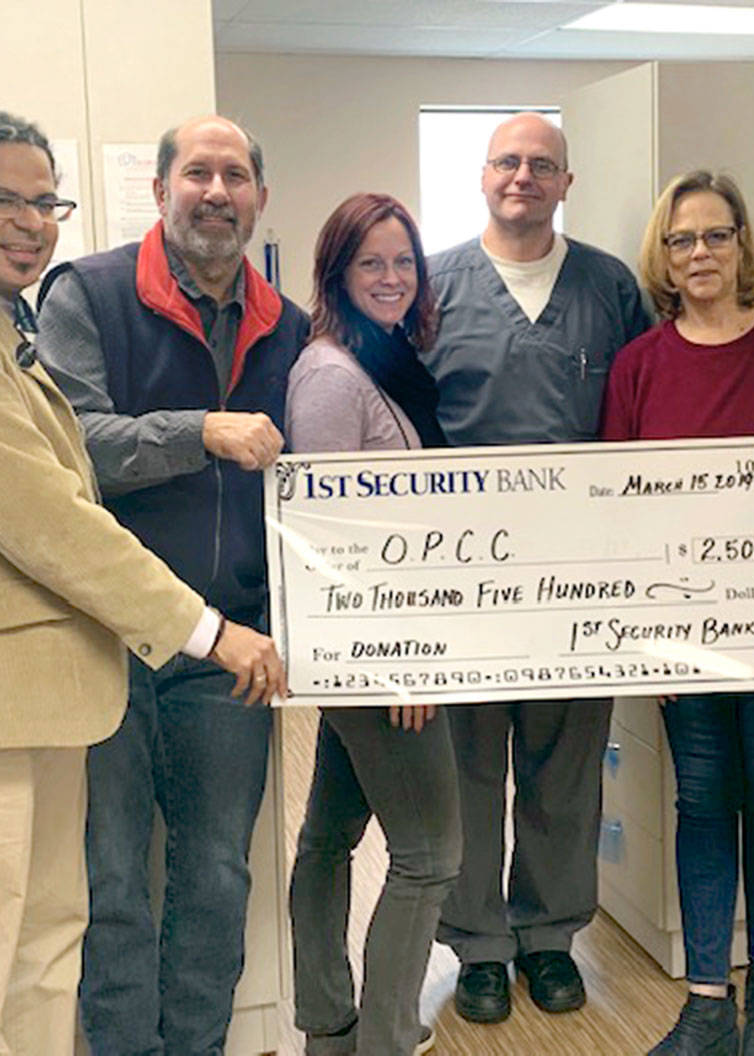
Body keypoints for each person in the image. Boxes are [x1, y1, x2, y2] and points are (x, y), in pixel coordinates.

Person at [0, 109, 282, 1055]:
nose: (31, 222)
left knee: (44, 951)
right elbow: (52, 520)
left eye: (45, 201)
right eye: (1, 198)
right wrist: (208, 630)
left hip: (39, 700)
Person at [35, 115, 308, 1054]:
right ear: (160, 192)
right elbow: (65, 447)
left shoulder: (291, 327)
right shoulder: (88, 294)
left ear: (260, 198)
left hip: (227, 652)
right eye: (199, 172)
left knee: (218, 876)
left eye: (237, 174)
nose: (218, 191)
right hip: (103, 641)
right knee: (111, 881)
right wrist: (199, 429)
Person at [602, 171, 754, 1056]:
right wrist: (641, 644)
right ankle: (707, 998)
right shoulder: (641, 365)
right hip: (681, 633)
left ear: (743, 241)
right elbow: (616, 510)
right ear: (663, 256)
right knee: (703, 799)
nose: (699, 253)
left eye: (715, 235)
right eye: (681, 239)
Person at [422, 111, 651, 1024]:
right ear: (482, 176)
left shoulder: (608, 286)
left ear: (566, 183)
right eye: (508, 162)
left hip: (578, 581)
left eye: (542, 165)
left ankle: (550, 936)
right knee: (470, 769)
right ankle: (477, 944)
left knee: (564, 769)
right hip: (465, 580)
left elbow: (643, 411)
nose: (523, 176)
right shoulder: (432, 287)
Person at [285, 192, 461, 1056]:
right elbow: (326, 547)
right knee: (431, 853)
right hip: (376, 655)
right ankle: (384, 1042)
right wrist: (397, 665)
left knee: (329, 835)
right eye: (371, 263)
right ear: (337, 274)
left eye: (404, 262)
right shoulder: (332, 375)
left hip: (378, 647)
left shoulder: (388, 360)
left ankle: (329, 1026)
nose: (392, 278)